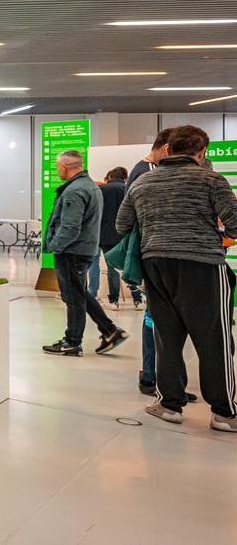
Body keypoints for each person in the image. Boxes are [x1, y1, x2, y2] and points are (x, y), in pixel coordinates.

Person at [116, 126, 237, 432]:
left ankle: (170, 404)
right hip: (203, 265)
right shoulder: (211, 180)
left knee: (166, 337)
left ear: (167, 150)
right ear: (201, 153)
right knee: (214, 338)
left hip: (155, 264)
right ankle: (224, 412)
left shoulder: (142, 182)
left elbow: (122, 225)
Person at [42, 150, 128, 357]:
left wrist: (55, 245)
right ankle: (110, 330)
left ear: (64, 166)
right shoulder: (90, 186)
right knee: (78, 292)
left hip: (72, 251)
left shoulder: (75, 191)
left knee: (73, 296)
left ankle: (72, 341)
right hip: (84, 249)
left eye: (57, 166)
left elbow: (70, 227)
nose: (57, 170)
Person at [129, 129, 172, 395]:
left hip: (155, 256)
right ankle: (152, 377)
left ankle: (159, 377)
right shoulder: (145, 173)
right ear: (167, 149)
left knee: (157, 317)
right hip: (155, 257)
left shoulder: (145, 171)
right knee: (154, 317)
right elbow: (127, 220)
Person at [88, 167, 144, 311]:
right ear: (125, 177)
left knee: (111, 267)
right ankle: (138, 299)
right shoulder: (129, 189)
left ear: (110, 176)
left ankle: (113, 300)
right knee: (129, 265)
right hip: (125, 234)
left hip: (104, 234)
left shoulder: (102, 190)